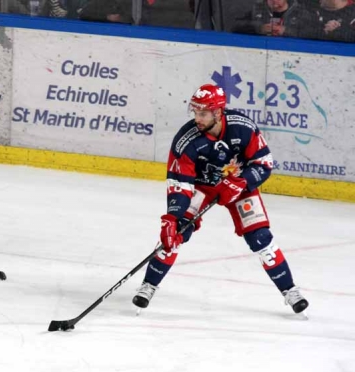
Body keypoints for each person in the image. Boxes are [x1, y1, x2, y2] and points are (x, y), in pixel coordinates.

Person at [132, 84, 309, 315]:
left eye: (203, 113)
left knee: (260, 237)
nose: (198, 118)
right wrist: (171, 218)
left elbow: (264, 163)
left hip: (238, 186)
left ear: (218, 112)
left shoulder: (242, 128)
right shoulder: (187, 140)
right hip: (201, 187)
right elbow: (179, 183)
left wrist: (241, 182)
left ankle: (290, 291)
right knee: (176, 232)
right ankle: (149, 284)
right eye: (195, 112)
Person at [232, 0, 314, 37]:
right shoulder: (257, 9)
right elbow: (236, 26)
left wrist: (286, 31)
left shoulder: (300, 12)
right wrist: (259, 28)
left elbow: (312, 33)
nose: (274, 1)